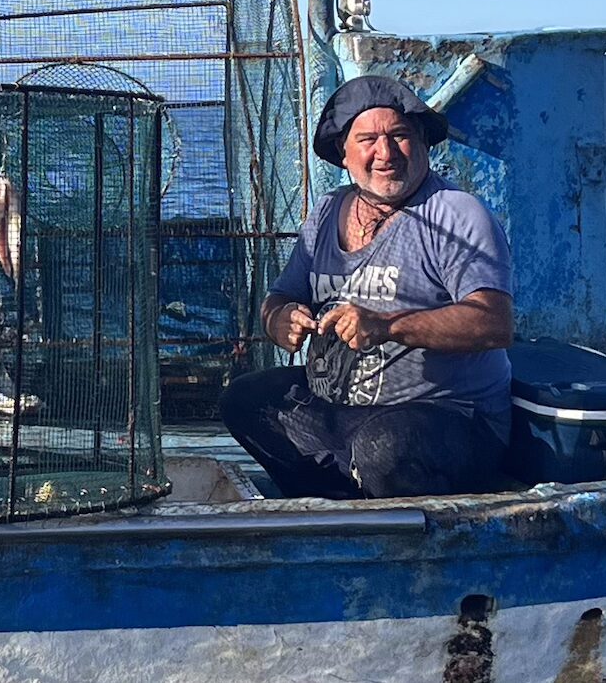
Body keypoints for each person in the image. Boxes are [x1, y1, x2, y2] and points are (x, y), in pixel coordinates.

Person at [220, 75, 514, 499]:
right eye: (368, 140)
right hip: (345, 411)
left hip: (450, 416)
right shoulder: (327, 212)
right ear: (344, 154)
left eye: (399, 136)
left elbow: (494, 323)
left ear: (423, 143)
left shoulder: (457, 214)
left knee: (383, 448)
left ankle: (398, 522)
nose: (385, 153)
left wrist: (388, 325)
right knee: (246, 401)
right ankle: (328, 505)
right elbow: (280, 298)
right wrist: (279, 319)